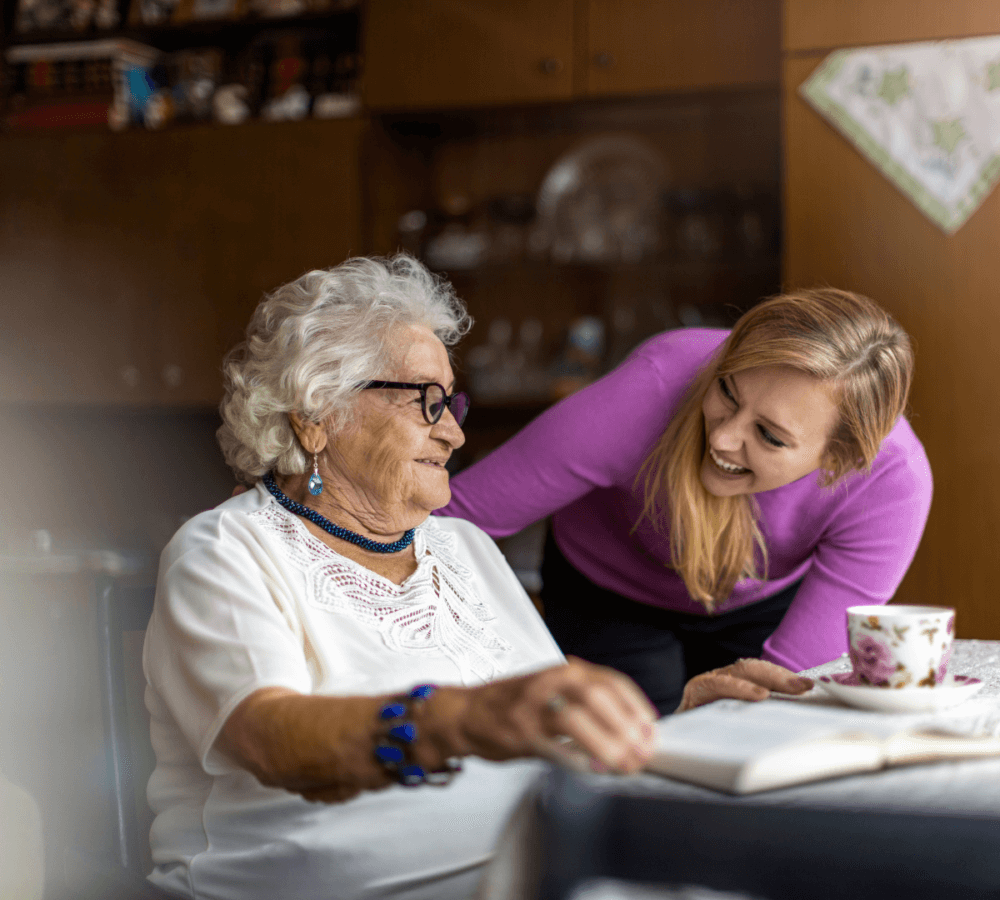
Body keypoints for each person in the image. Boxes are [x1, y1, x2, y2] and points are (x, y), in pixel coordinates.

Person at [142, 255, 810, 900]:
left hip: (532, 871)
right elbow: (270, 737)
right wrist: (460, 719)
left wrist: (672, 725)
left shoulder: (462, 548)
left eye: (450, 406)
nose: (455, 437)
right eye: (425, 403)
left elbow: (543, 729)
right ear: (317, 417)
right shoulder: (227, 549)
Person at [440, 288, 933, 716]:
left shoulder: (892, 483)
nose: (723, 438)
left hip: (760, 600)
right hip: (608, 587)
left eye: (768, 435)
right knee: (624, 751)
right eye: (727, 391)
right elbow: (447, 519)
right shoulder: (651, 389)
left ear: (840, 460)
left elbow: (789, 692)